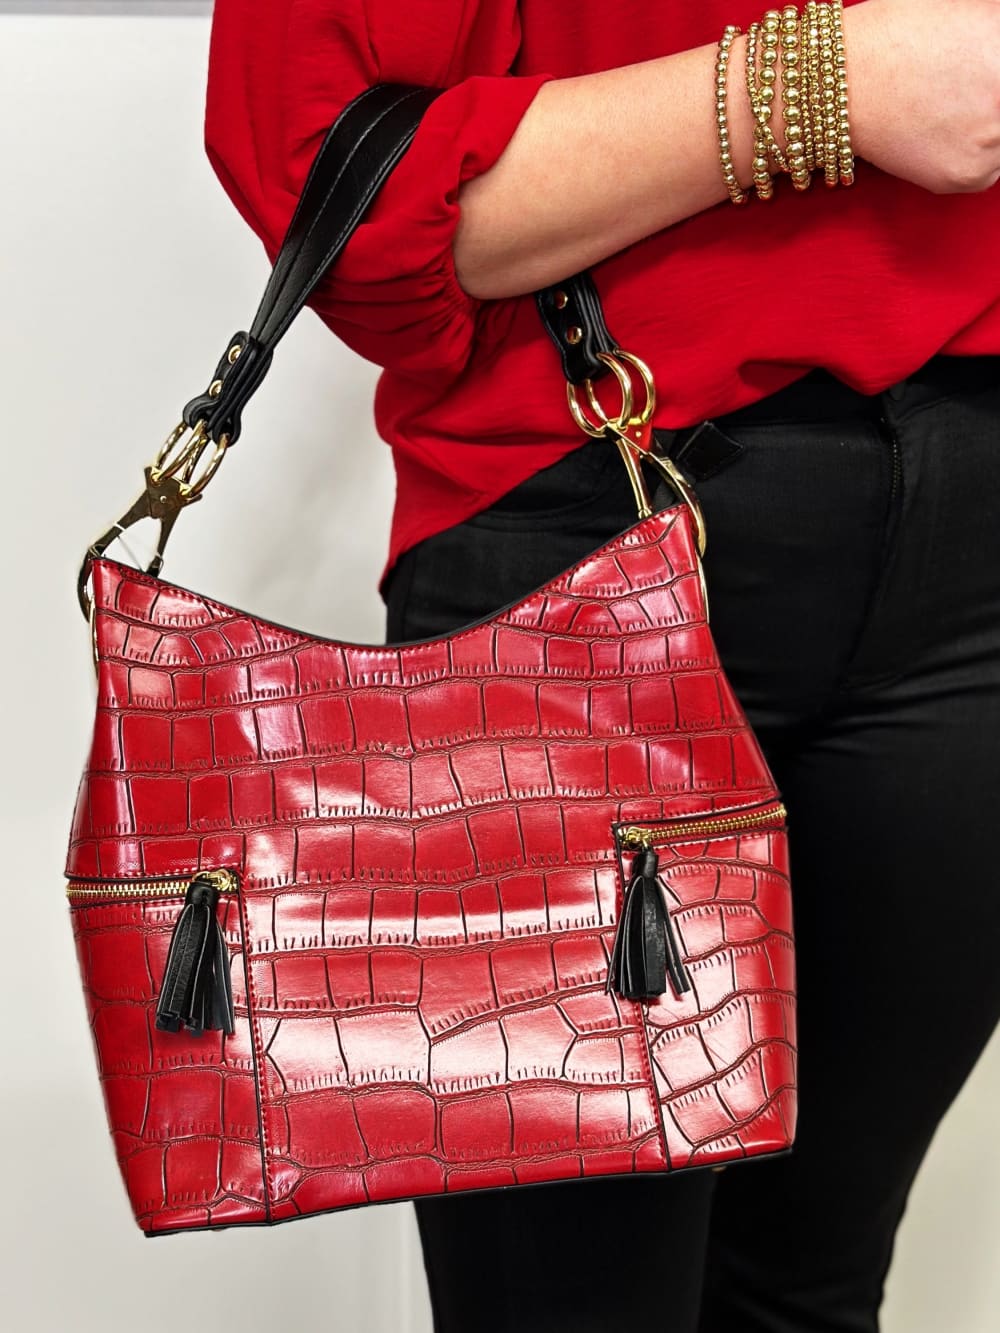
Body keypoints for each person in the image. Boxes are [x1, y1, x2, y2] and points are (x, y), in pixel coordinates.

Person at [203, 1, 1000, 1329]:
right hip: (578, 563)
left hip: (970, 534)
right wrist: (831, 83)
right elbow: (345, 187)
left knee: (811, 1290)